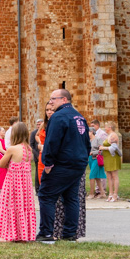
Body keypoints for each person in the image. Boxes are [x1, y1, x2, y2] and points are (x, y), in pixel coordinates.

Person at [36, 89, 89, 243]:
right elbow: (86, 142)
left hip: (62, 163)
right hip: (78, 164)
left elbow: (52, 142)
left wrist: (48, 162)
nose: (51, 101)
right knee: (71, 198)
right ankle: (70, 233)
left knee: (46, 195)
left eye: (54, 98)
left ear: (64, 99)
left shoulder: (59, 117)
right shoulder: (79, 117)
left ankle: (46, 233)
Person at [0, 122, 36, 242]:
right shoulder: (28, 149)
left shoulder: (12, 149)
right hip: (25, 184)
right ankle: (22, 234)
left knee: (9, 205)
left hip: (13, 182)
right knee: (23, 206)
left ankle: (6, 235)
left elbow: (1, 163)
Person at [100, 121, 122, 202]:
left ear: (110, 128)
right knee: (108, 177)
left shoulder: (114, 135)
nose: (105, 128)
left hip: (113, 157)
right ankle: (110, 194)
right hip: (107, 158)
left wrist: (103, 148)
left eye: (106, 127)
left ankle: (115, 194)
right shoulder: (108, 135)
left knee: (114, 176)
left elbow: (114, 148)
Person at [88, 120, 107, 199]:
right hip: (90, 160)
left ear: (91, 132)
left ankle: (91, 194)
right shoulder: (88, 141)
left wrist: (93, 152)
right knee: (96, 177)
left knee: (91, 175)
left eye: (87, 132)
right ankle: (102, 193)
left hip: (96, 159)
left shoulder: (98, 139)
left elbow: (101, 150)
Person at [30, 118, 44, 190]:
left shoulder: (44, 132)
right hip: (37, 155)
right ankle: (37, 188)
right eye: (37, 124)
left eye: (40, 124)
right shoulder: (34, 133)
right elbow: (31, 145)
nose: (38, 126)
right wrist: (36, 155)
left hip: (43, 154)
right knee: (37, 172)